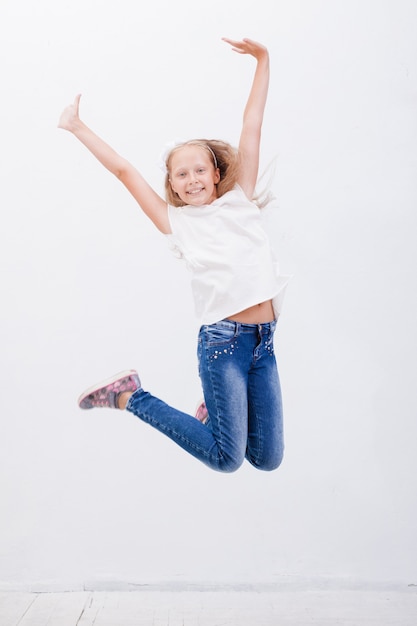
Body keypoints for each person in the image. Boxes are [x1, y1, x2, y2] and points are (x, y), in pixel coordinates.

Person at [58, 37, 289, 473]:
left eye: (200, 170)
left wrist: (263, 60)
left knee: (267, 458)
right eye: (181, 174)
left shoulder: (241, 198)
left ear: (217, 174)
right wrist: (77, 126)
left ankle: (213, 410)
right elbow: (125, 170)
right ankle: (130, 395)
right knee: (226, 459)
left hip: (265, 344)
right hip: (222, 345)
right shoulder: (176, 223)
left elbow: (252, 124)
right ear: (173, 184)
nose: (192, 179)